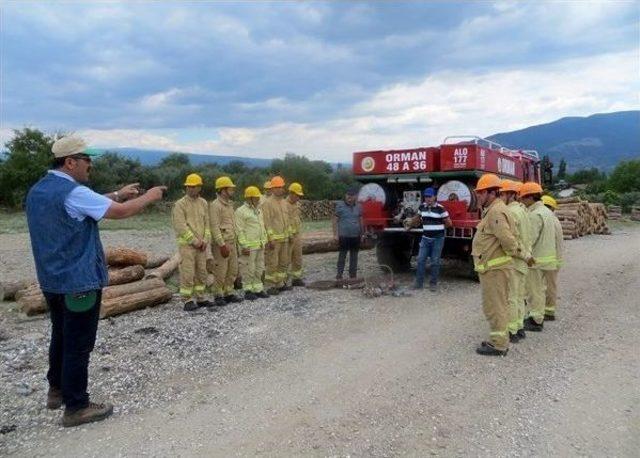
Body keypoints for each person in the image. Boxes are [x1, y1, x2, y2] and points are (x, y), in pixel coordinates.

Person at [25, 136, 166, 427]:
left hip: (52, 281)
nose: (91, 164)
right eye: (87, 159)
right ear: (70, 162)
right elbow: (120, 213)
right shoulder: (74, 192)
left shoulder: (39, 190)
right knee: (78, 343)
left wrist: (118, 192)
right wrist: (149, 196)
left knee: (61, 335)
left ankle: (56, 390)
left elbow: (86, 204)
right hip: (79, 283)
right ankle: (76, 406)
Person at [471, 173, 531, 356]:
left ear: (492, 193)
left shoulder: (496, 211)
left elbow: (508, 241)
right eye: (478, 193)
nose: (478, 196)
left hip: (495, 269)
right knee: (493, 305)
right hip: (491, 268)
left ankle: (498, 344)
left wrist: (523, 256)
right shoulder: (493, 210)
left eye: (481, 193)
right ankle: (498, 339)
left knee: (495, 306)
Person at [172, 173, 213, 311]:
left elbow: (207, 224)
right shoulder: (180, 204)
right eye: (188, 186)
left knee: (202, 272)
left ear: (199, 188)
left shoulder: (203, 203)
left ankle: (201, 297)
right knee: (187, 272)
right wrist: (195, 241)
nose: (190, 188)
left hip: (202, 245)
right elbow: (180, 226)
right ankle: (187, 300)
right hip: (187, 246)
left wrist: (205, 240)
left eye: (194, 186)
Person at [520, 182, 557, 332]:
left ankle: (536, 319)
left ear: (530, 197)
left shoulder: (535, 215)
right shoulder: (546, 212)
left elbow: (530, 239)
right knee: (540, 289)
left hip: (536, 259)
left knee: (534, 290)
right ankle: (538, 315)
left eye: (523, 197)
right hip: (546, 257)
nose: (521, 200)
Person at [500, 180, 531, 342]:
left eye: (502, 194)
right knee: (519, 296)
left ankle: (511, 331)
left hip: (514, 260)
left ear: (510, 195)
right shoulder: (523, 211)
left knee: (511, 297)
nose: (500, 197)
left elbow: (512, 241)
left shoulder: (510, 213)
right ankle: (519, 327)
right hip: (523, 262)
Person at [209, 176, 242, 306]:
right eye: (230, 188)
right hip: (222, 244)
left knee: (232, 269)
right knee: (221, 271)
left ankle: (228, 292)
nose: (232, 190)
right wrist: (222, 245)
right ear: (223, 190)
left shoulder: (229, 205)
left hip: (232, 242)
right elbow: (214, 227)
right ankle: (218, 294)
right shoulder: (215, 206)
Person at [411, 187, 451, 292]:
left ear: (435, 197)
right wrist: (412, 223)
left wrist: (439, 229)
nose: (428, 199)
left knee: (435, 261)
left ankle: (433, 284)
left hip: (438, 239)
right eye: (426, 197)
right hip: (425, 238)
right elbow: (417, 218)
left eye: (430, 196)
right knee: (420, 260)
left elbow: (449, 223)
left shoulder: (441, 208)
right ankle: (418, 284)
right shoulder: (422, 207)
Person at [235, 186, 269, 300]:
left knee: (259, 268)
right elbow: (239, 230)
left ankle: (258, 289)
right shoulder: (240, 211)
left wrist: (264, 240)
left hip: (259, 245)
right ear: (249, 198)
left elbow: (262, 227)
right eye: (256, 197)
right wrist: (244, 245)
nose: (258, 199)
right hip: (248, 246)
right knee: (248, 268)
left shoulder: (258, 210)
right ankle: (248, 290)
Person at [261, 176, 290, 294]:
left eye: (281, 187)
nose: (280, 189)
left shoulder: (284, 202)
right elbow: (266, 222)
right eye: (277, 187)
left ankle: (280, 283)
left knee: (283, 262)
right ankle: (270, 286)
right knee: (272, 263)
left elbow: (286, 220)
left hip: (284, 238)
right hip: (274, 240)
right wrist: (270, 238)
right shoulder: (267, 203)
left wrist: (289, 235)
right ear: (272, 189)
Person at [541, 195, 564, 321]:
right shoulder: (554, 220)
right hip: (554, 258)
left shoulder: (549, 221)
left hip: (550, 258)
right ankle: (548, 309)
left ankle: (548, 311)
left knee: (548, 286)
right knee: (550, 285)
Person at [333, 187, 364, 280]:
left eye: (352, 195)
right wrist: (335, 234)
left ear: (356, 196)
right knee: (342, 256)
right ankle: (339, 275)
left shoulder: (358, 207)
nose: (349, 197)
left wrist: (362, 234)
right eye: (348, 195)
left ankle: (353, 276)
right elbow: (335, 220)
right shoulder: (340, 206)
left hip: (356, 236)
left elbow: (360, 220)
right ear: (345, 195)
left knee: (354, 257)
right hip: (344, 236)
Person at [286, 182, 305, 287]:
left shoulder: (297, 204)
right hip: (288, 236)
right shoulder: (284, 205)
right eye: (297, 195)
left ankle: (296, 278)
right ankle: (283, 281)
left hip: (297, 234)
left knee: (298, 257)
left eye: (299, 196)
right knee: (286, 258)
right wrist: (289, 235)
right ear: (291, 193)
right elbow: (284, 221)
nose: (298, 197)